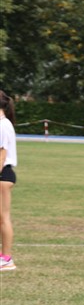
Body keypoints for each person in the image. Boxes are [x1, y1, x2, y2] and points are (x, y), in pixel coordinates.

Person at [0, 90, 17, 272]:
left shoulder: (3, 125)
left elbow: (2, 155)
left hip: (3, 175)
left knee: (3, 218)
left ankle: (6, 259)